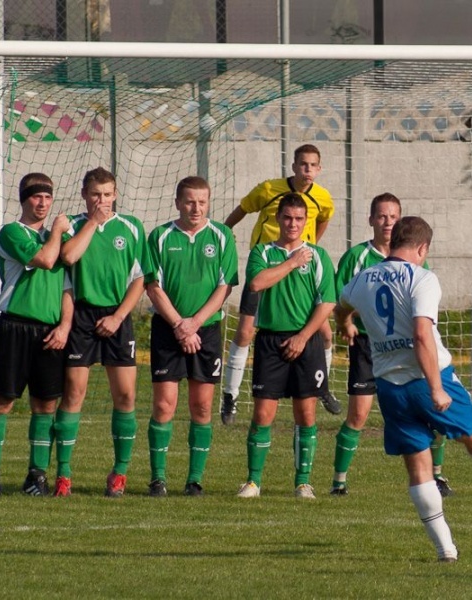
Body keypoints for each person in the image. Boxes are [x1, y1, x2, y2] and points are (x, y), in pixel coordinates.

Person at [337, 216, 472, 562]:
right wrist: (437, 389)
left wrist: (346, 324)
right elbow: (422, 333)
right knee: (471, 432)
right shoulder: (422, 278)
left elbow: (342, 305)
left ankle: (446, 550)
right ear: (422, 248)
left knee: (418, 468)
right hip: (428, 379)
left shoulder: (362, 278)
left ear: (393, 244)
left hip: (390, 388)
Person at [330, 193, 453, 497]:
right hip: (368, 345)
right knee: (358, 415)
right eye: (381, 216)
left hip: (408, 349)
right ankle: (338, 481)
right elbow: (340, 301)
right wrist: (346, 323)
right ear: (371, 220)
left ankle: (437, 476)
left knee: (432, 412)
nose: (387, 222)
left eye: (393, 216)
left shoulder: (415, 262)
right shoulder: (356, 258)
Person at [221, 144, 340, 424]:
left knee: (325, 333)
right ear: (293, 166)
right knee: (245, 332)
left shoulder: (323, 198)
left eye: (313, 165)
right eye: (303, 164)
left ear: (319, 169)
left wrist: (306, 254)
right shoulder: (268, 189)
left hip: (301, 267)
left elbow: (322, 221)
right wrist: (225, 234)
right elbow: (241, 210)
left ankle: (320, 386)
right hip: (268, 269)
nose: (307, 169)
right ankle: (230, 395)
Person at [54, 167, 150, 497]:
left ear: (116, 194)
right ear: (85, 195)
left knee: (125, 397)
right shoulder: (75, 227)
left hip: (117, 318)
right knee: (74, 395)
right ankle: (63, 475)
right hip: (82, 318)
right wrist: (94, 222)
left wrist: (119, 316)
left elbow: (140, 279)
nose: (103, 200)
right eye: (96, 194)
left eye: (108, 194)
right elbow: (68, 257)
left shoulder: (132, 228)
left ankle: (119, 474)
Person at [235, 193, 337, 499]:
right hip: (270, 340)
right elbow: (256, 283)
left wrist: (304, 337)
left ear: (306, 222)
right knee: (263, 414)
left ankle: (303, 482)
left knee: (306, 414)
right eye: (287, 218)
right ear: (278, 219)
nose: (293, 224)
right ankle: (253, 482)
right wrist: (292, 263)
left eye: (299, 219)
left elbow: (327, 302)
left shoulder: (318, 256)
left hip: (306, 341)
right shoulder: (263, 252)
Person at [143, 176, 238, 497]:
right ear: (177, 203)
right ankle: (158, 478)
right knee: (164, 406)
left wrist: (194, 323)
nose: (195, 208)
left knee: (201, 407)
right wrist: (179, 325)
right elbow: (152, 286)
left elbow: (224, 287)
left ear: (208, 203)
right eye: (189, 201)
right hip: (168, 330)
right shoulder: (159, 236)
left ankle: (194, 480)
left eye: (201, 202)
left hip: (206, 331)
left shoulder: (222, 236)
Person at [0, 173, 72, 497]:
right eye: (36, 197)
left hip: (50, 333)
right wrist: (59, 230)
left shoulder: (56, 240)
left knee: (45, 406)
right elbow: (45, 260)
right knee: (1, 403)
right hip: (14, 326)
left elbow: (67, 290)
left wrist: (64, 326)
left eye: (47, 196)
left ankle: (36, 477)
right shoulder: (11, 233)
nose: (43, 202)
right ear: (24, 199)